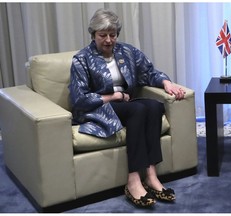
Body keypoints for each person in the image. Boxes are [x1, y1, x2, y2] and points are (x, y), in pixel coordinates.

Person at [69, 8, 186, 208]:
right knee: (138, 110)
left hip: (124, 105)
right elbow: (79, 99)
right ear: (93, 34)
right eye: (102, 35)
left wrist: (166, 83)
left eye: (112, 35)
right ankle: (133, 180)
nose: (108, 40)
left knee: (155, 107)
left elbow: (149, 72)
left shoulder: (127, 52)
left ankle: (151, 176)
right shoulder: (82, 59)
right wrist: (113, 96)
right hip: (98, 109)